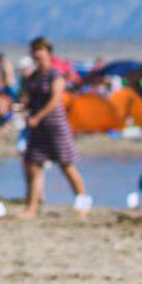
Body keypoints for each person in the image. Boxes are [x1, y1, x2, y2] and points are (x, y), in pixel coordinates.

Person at [17, 36, 88, 217]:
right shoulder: (32, 76)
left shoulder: (55, 74)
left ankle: (83, 203)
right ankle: (31, 208)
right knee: (33, 166)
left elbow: (56, 100)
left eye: (40, 49)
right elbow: (27, 98)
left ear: (48, 52)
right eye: (34, 50)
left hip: (55, 126)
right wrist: (22, 106)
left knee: (66, 165)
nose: (37, 53)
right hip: (37, 128)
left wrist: (37, 116)